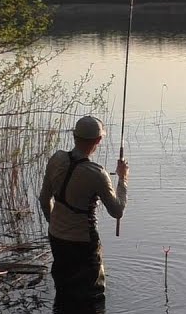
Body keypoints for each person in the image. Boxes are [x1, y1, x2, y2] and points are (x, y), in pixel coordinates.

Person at [38, 115, 128, 304]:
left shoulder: (56, 158)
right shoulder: (96, 173)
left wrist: (54, 224)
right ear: (99, 140)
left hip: (57, 237)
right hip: (83, 243)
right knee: (92, 295)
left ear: (74, 136)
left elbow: (44, 199)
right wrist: (123, 179)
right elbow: (117, 211)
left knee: (64, 290)